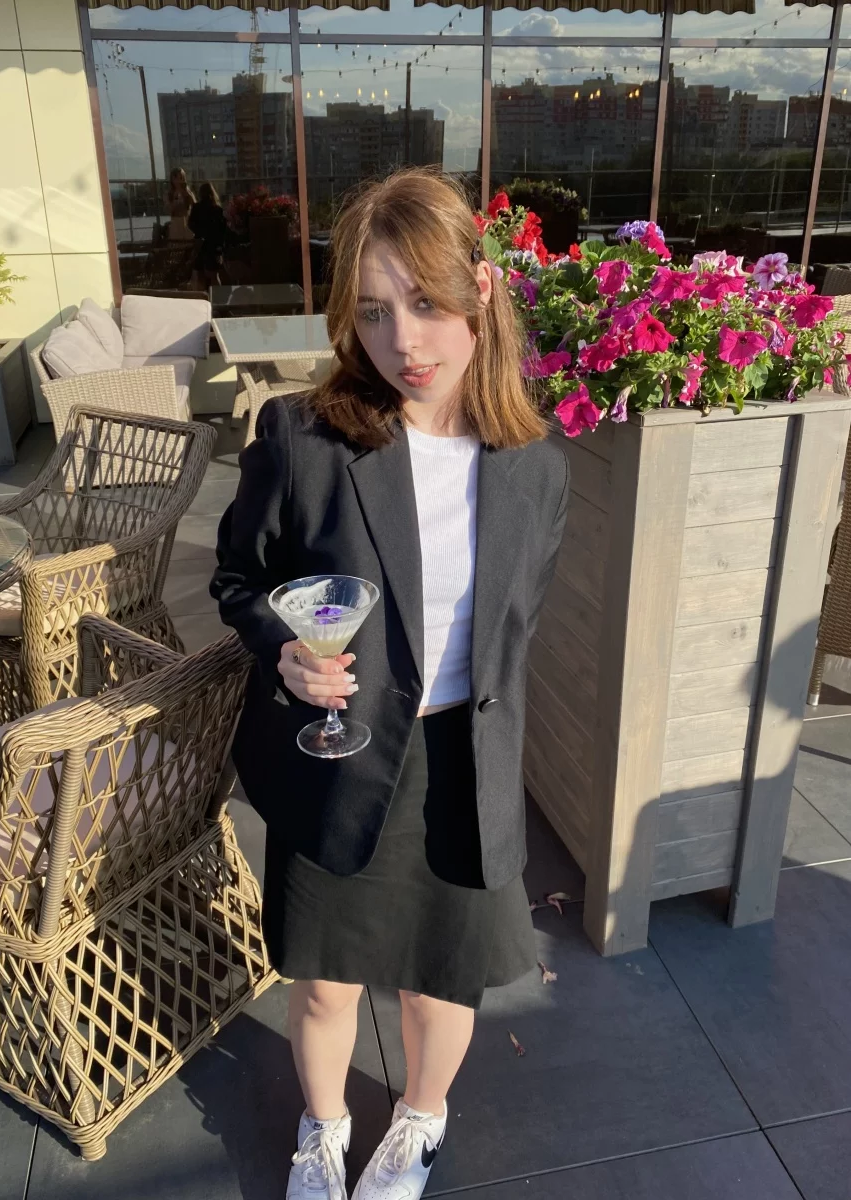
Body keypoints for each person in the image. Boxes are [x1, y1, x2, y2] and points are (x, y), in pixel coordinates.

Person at [210, 167, 569, 1200]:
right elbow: (237, 578)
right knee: (326, 985)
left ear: (482, 289)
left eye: (424, 301)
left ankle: (419, 1120)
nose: (402, 340)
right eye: (373, 311)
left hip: (464, 767)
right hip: (341, 758)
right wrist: (282, 649)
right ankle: (321, 1130)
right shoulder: (305, 439)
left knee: (440, 981)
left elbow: (512, 632)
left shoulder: (536, 466)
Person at [188, 181, 229, 289]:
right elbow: (222, 230)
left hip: (200, 244)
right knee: (214, 275)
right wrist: (220, 247)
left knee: (199, 274)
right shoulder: (218, 209)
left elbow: (190, 224)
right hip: (213, 245)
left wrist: (199, 232)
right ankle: (218, 297)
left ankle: (203, 297)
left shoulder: (196, 208)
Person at [165, 167, 195, 242]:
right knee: (177, 245)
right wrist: (175, 199)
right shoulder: (169, 194)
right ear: (172, 180)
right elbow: (169, 209)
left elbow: (195, 205)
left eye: (181, 178)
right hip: (175, 224)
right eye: (176, 178)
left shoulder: (188, 192)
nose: (179, 181)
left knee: (189, 245)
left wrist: (187, 194)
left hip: (188, 223)